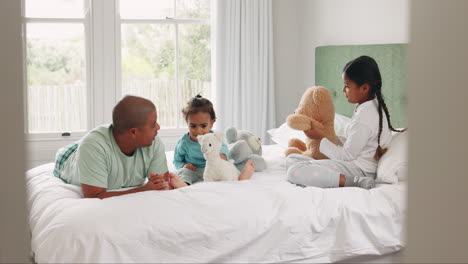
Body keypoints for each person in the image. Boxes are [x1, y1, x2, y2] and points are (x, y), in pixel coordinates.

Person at [286, 56, 405, 189]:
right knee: (292, 160)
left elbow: (346, 156)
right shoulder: (370, 107)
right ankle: (326, 176)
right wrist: (329, 136)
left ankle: (353, 181)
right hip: (354, 165)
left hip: (358, 170)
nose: (343, 90)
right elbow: (353, 143)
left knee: (293, 171)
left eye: (347, 86)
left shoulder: (365, 117)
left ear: (364, 88)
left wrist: (320, 137)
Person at [53, 95, 187, 199]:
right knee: (87, 144)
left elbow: (161, 185)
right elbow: (94, 196)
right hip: (68, 157)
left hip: (106, 141)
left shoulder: (153, 141)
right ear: (134, 132)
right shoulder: (92, 146)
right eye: (153, 124)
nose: (158, 127)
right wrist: (143, 189)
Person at [173, 94, 255, 185]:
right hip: (195, 171)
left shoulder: (214, 138)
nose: (198, 131)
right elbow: (177, 160)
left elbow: (223, 148)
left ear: (212, 123)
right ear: (186, 122)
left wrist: (222, 155)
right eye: (193, 126)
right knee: (183, 172)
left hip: (214, 168)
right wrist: (183, 165)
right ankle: (184, 184)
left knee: (229, 167)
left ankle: (241, 178)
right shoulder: (184, 143)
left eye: (203, 126)